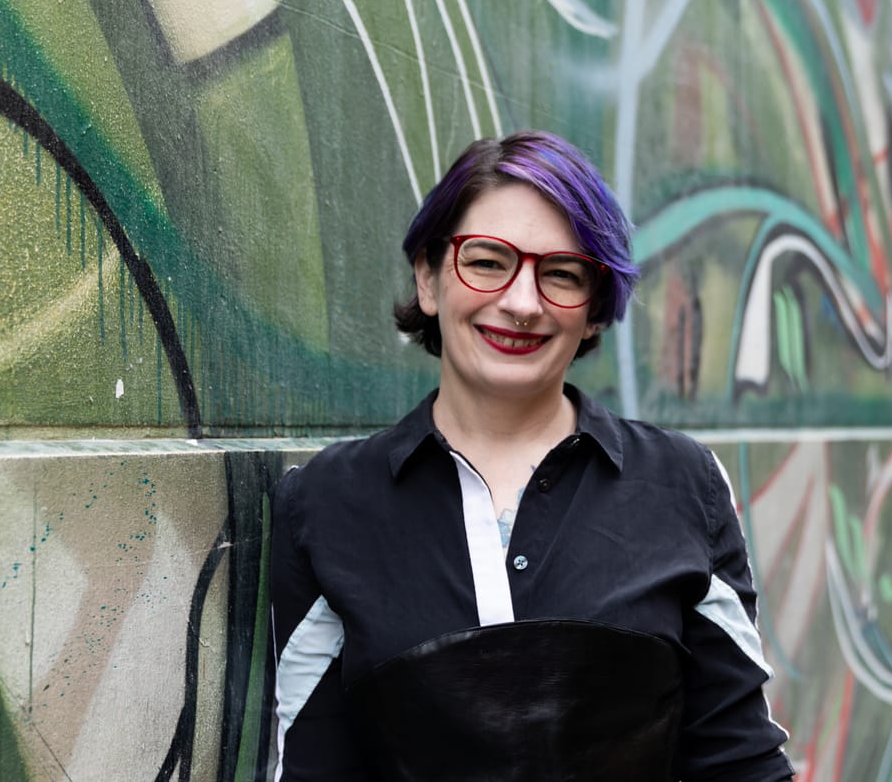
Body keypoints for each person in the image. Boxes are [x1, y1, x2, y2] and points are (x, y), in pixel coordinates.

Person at [270, 131, 794, 781]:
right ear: (429, 278)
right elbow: (312, 766)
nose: (522, 303)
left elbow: (741, 762)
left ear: (595, 310)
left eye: (561, 274)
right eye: (488, 262)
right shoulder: (326, 505)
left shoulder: (684, 486)